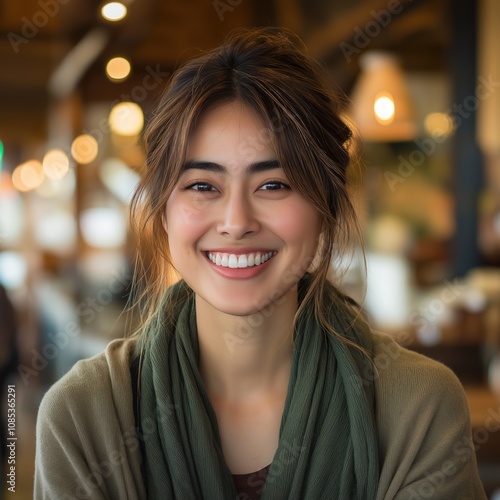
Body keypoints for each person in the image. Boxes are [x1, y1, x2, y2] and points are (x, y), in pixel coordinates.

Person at [34, 28, 486, 499]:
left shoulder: (417, 406)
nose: (236, 222)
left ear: (325, 208)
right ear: (163, 210)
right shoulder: (83, 415)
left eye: (273, 185)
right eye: (202, 186)